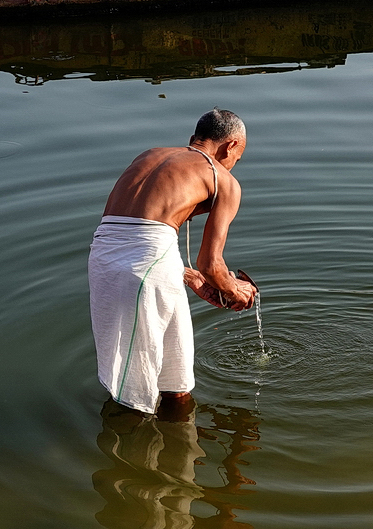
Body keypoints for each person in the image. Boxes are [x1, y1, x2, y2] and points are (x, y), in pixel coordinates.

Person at [88, 109, 258, 418]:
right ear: (232, 145)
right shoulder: (223, 180)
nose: (234, 166)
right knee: (138, 395)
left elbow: (132, 231)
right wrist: (236, 289)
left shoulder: (149, 155)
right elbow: (211, 264)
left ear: (194, 139)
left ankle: (172, 443)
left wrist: (186, 276)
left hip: (103, 256)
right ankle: (138, 456)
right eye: (238, 158)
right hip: (149, 264)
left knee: (175, 379)